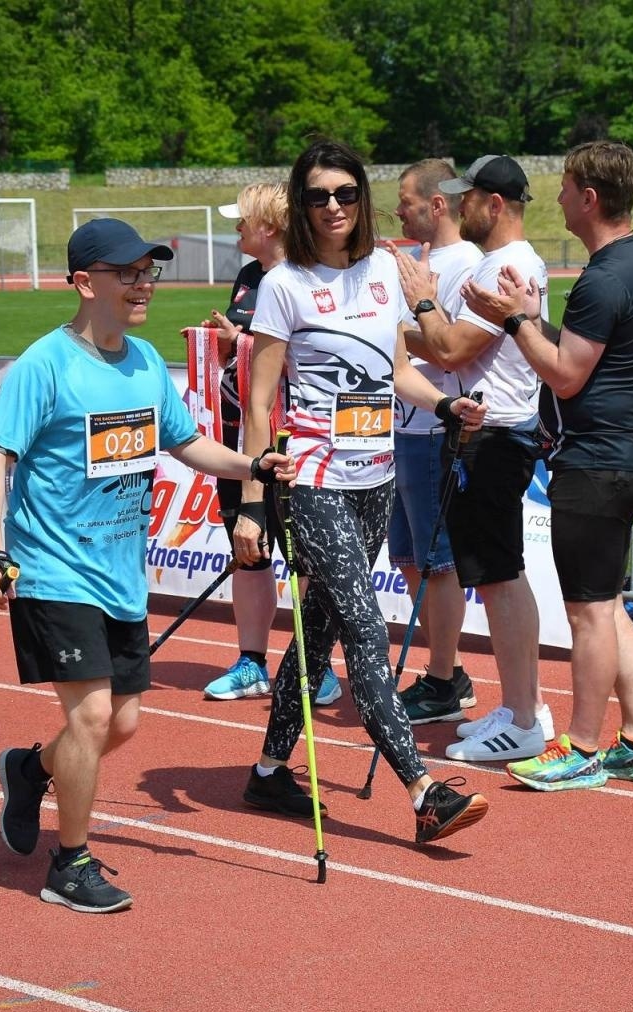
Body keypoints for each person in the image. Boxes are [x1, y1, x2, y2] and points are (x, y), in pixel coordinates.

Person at [0, 218, 294, 913]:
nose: (144, 283)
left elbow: (187, 444)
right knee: (90, 717)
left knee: (119, 726)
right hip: (53, 571)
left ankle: (31, 769)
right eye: (128, 272)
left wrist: (252, 465)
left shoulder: (146, 361)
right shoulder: (44, 366)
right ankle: (70, 863)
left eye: (149, 271)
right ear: (87, 283)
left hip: (121, 576)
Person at [234, 139, 490, 845]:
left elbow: (398, 371)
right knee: (366, 633)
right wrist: (255, 502)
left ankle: (266, 771)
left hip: (372, 480)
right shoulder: (284, 284)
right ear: (301, 204)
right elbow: (259, 404)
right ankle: (423, 790)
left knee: (316, 634)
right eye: (318, 196)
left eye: (346, 193)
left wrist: (443, 407)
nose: (334, 207)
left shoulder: (385, 271)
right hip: (310, 482)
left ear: (362, 200)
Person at [461, 140, 633, 791]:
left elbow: (567, 373)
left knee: (587, 613)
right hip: (623, 458)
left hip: (596, 465)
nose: (556, 199)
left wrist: (515, 321)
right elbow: (583, 352)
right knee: (605, 606)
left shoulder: (604, 278)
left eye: (566, 187)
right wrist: (532, 316)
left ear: (590, 198)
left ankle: (580, 747)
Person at [390, 154, 554, 761]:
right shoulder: (504, 261)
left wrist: (422, 304)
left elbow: (453, 350)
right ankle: (520, 708)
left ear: (493, 203)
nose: (459, 207)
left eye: (469, 198)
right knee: (497, 577)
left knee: (502, 580)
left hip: (495, 434)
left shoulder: (508, 265)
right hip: (488, 433)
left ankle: (525, 716)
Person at [196, 183, 340, 707]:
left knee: (306, 559)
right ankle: (251, 660)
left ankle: (315, 666)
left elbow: (312, 351)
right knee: (249, 549)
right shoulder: (249, 277)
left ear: (272, 227)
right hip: (242, 439)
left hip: (295, 441)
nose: (236, 228)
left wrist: (245, 344)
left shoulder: (306, 278)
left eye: (243, 220)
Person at [383, 159, 481, 724]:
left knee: (437, 563)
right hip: (399, 425)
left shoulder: (466, 262)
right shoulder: (406, 260)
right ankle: (450, 669)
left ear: (437, 203)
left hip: (435, 429)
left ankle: (443, 680)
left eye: (406, 199)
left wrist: (391, 335)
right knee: (410, 560)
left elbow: (451, 347)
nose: (398, 209)